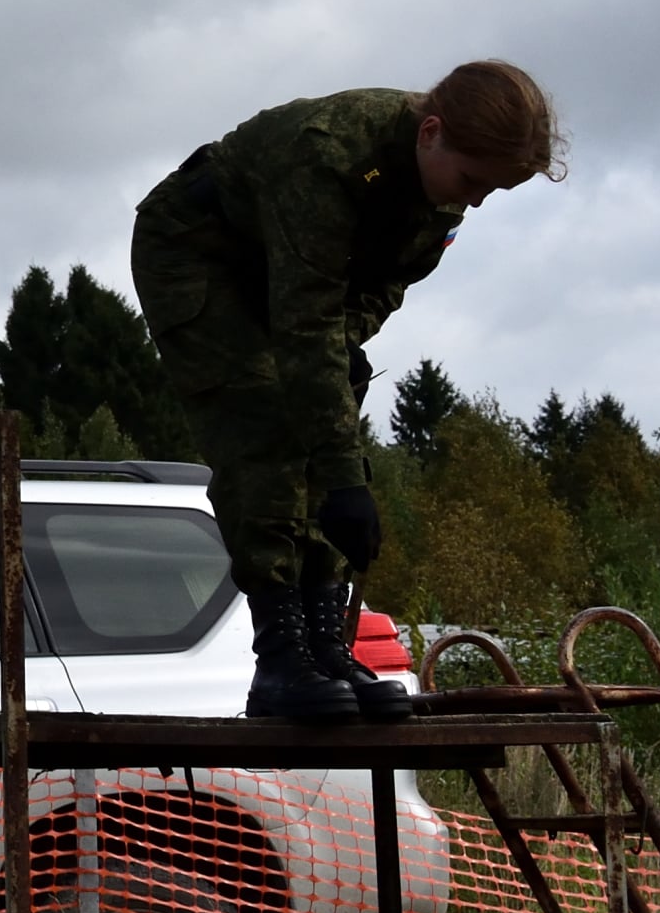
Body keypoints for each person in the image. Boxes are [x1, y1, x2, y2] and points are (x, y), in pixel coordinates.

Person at [129, 63, 561, 721]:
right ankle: (280, 662)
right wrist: (340, 471)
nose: (473, 202)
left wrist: (339, 363)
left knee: (329, 408)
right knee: (266, 418)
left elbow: (381, 288)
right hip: (198, 256)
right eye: (473, 181)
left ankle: (325, 649)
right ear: (432, 132)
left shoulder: (442, 188)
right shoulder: (326, 157)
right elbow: (304, 326)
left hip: (293, 285)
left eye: (491, 192)